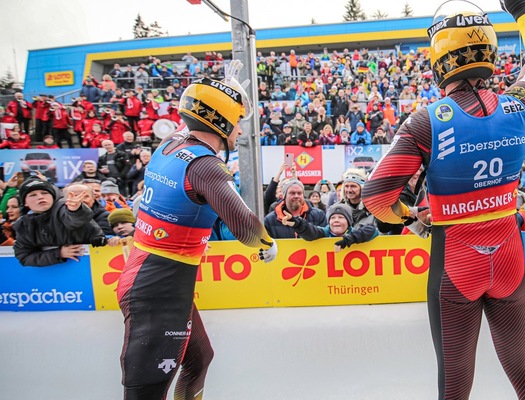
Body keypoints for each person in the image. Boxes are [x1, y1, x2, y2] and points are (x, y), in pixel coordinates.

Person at [362, 1, 525, 397]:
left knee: (454, 389)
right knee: (524, 374)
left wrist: (415, 221)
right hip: (508, 258)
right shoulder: (521, 104)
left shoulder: (426, 120)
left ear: (439, 66)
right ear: (490, 54)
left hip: (456, 262)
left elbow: (376, 197)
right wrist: (519, 9)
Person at [116, 61, 279, 400]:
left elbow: (198, 113)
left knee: (199, 358)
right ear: (220, 122)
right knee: (147, 390)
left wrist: (224, 91)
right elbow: (246, 226)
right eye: (237, 122)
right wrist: (266, 244)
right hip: (159, 285)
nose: (240, 131)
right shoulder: (206, 165)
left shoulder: (172, 141)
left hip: (154, 274)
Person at [12, 178, 107, 267]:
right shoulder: (23, 225)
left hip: (89, 267)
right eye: (33, 195)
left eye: (44, 193)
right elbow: (24, 256)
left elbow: (75, 219)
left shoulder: (63, 208)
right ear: (25, 202)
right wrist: (58, 253)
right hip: (54, 278)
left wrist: (74, 209)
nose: (40, 197)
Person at [280, 203, 378, 252]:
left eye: (341, 217)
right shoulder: (323, 233)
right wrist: (297, 224)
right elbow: (310, 231)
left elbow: (372, 230)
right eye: (333, 218)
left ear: (348, 222)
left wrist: (349, 240)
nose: (336, 220)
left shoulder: (355, 233)